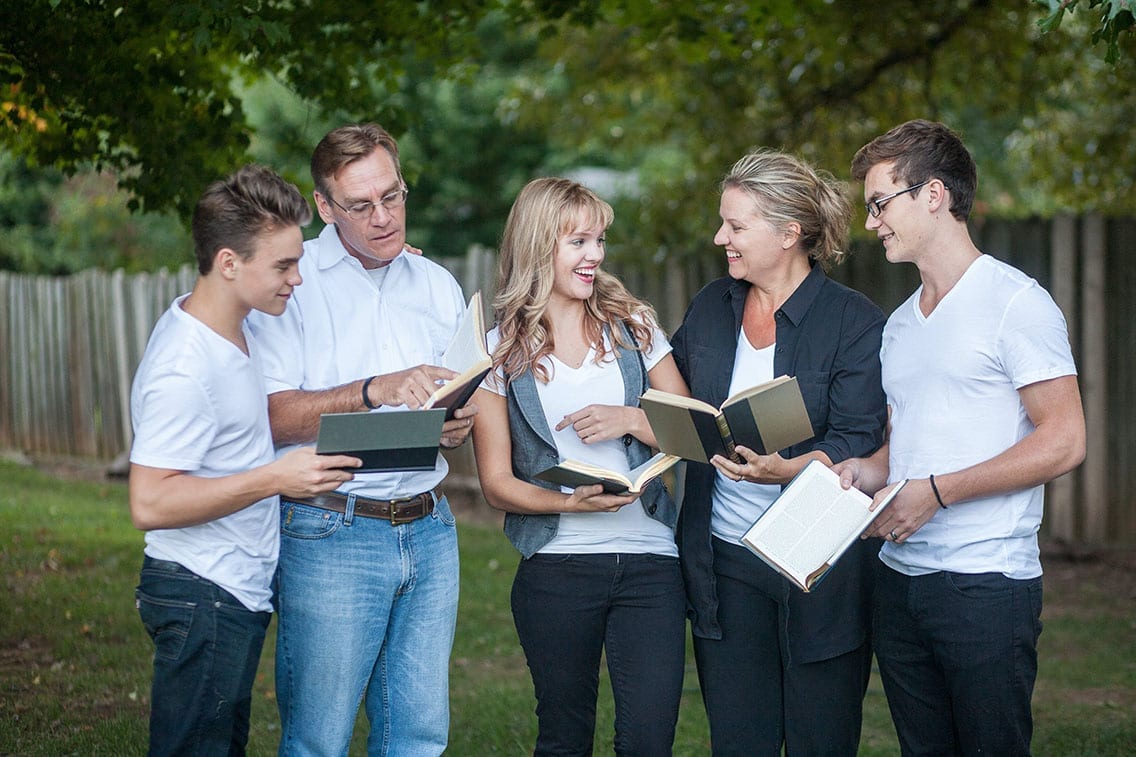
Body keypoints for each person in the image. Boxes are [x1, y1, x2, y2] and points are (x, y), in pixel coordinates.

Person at [836, 119, 1086, 755]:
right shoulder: (898, 325)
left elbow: (1064, 440)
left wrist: (938, 494)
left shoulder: (1014, 303)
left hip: (984, 584)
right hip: (898, 582)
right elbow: (911, 443)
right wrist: (868, 472)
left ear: (934, 194)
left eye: (879, 203)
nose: (872, 223)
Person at [246, 123, 477, 756]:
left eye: (393, 196)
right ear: (324, 207)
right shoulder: (292, 282)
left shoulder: (437, 284)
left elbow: (451, 401)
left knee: (418, 737)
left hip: (430, 527)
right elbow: (269, 415)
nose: (384, 217)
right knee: (319, 739)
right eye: (360, 205)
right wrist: (374, 388)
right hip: (330, 529)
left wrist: (453, 423)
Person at [129, 164, 361, 755]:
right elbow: (150, 501)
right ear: (229, 263)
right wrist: (275, 479)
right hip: (201, 589)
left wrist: (387, 256)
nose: (298, 278)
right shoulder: (184, 366)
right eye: (284, 266)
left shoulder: (236, 323)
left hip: (231, 589)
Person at [671, 150, 888, 755]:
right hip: (725, 564)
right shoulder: (712, 306)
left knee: (822, 740)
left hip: (819, 567)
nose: (721, 238)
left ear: (790, 233)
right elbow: (675, 400)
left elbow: (858, 439)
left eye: (736, 226)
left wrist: (790, 470)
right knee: (740, 741)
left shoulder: (853, 321)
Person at [470, 177, 690, 755]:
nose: (595, 255)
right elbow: (496, 484)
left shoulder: (635, 327)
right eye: (579, 242)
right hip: (556, 570)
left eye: (599, 241)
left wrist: (633, 420)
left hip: (651, 567)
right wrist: (569, 502)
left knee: (649, 740)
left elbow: (697, 430)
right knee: (564, 737)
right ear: (540, 246)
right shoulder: (497, 352)